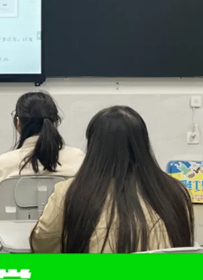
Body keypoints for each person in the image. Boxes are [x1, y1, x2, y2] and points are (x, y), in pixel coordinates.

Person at [30, 106, 195, 253]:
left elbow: (42, 245)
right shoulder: (176, 192)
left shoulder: (69, 192)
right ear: (143, 144)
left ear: (94, 147)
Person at [0, 92, 83, 209]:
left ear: (18, 122)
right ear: (54, 122)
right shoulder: (77, 158)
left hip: (17, 222)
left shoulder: (3, 163)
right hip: (64, 221)